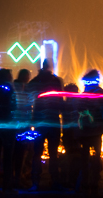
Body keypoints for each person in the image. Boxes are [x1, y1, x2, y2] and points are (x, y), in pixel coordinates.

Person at [27, 59, 64, 190]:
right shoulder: (56, 81)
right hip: (53, 121)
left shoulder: (36, 81)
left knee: (37, 152)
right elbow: (60, 101)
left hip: (40, 121)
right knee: (53, 153)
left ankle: (36, 182)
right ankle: (55, 181)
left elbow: (28, 94)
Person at [76, 69, 103, 197]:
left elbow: (78, 110)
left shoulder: (83, 94)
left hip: (85, 131)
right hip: (95, 131)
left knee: (85, 158)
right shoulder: (100, 93)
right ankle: (94, 183)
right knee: (95, 157)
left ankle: (84, 184)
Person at [12, 68, 32, 189]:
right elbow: (24, 108)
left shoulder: (18, 90)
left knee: (17, 153)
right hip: (20, 126)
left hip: (18, 126)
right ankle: (17, 178)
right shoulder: (21, 91)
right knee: (19, 153)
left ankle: (16, 178)